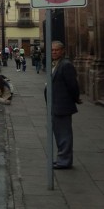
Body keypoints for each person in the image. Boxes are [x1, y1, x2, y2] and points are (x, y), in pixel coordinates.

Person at [45, 41, 82, 170]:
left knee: (64, 135)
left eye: (57, 50)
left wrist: (76, 98)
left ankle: (64, 161)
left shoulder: (66, 65)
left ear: (63, 51)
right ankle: (62, 159)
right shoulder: (56, 64)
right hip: (56, 105)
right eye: (52, 50)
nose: (54, 52)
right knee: (59, 135)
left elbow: (73, 85)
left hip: (62, 105)